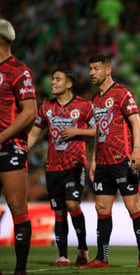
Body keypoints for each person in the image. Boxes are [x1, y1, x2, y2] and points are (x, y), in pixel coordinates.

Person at [81, 54, 140, 268]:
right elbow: (98, 131)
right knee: (101, 208)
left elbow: (136, 122)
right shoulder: (95, 99)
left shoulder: (122, 93)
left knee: (133, 206)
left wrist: (137, 149)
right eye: (90, 69)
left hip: (122, 160)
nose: (92, 73)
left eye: (96, 68)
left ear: (107, 70)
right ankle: (102, 257)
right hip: (102, 162)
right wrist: (93, 160)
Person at [27, 69, 95, 267]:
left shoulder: (84, 106)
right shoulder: (46, 107)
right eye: (52, 78)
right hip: (52, 167)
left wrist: (78, 131)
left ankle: (82, 249)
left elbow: (99, 129)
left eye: (58, 79)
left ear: (68, 84)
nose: (52, 82)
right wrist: (22, 151)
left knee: (72, 205)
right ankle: (63, 256)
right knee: (58, 212)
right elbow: (34, 134)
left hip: (75, 165)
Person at [0, 19, 37, 275]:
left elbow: (30, 112)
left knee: (17, 207)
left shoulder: (18, 70)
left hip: (10, 146)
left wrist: (1, 137)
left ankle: (20, 271)